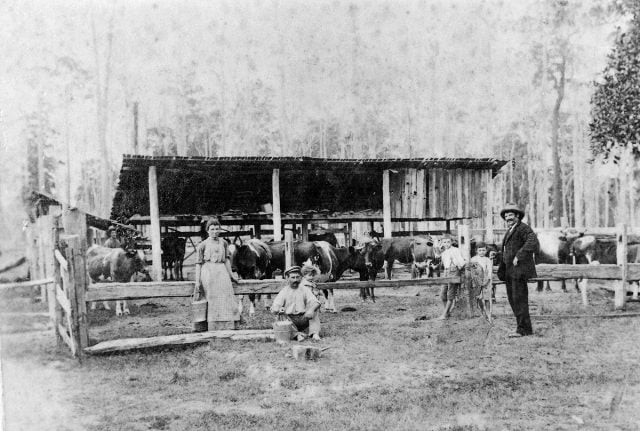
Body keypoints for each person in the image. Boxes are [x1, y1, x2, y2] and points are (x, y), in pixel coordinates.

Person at [500, 203, 539, 338]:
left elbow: (533, 242)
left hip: (519, 271)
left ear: (517, 216)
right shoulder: (510, 230)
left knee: (519, 300)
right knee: (513, 300)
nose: (508, 218)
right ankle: (522, 328)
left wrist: (519, 255)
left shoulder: (523, 228)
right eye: (506, 216)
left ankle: (523, 330)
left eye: (510, 215)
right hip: (510, 272)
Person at [195, 217, 240, 331]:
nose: (215, 232)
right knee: (211, 297)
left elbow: (226, 260)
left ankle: (227, 324)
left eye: (217, 229)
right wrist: (197, 280)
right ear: (207, 230)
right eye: (212, 229)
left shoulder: (224, 243)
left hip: (221, 271)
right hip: (208, 271)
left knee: (226, 295)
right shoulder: (202, 245)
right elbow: (199, 264)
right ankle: (213, 326)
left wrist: (231, 275)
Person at [271, 265, 322, 341]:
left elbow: (316, 302)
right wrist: (278, 309)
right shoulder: (284, 291)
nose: (295, 280)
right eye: (293, 277)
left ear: (301, 278)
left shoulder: (304, 289)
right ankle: (296, 335)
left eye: (297, 277)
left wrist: (311, 310)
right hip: (290, 320)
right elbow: (275, 307)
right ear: (288, 278)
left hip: (304, 317)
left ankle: (314, 333)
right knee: (281, 315)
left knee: (314, 310)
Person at [438, 234, 466, 320]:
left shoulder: (456, 250)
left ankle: (445, 314)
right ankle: (447, 312)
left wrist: (456, 266)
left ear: (452, 242)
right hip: (446, 272)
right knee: (442, 295)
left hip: (454, 271)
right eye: (444, 242)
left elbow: (462, 263)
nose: (446, 244)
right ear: (442, 243)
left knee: (450, 295)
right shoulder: (443, 253)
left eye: (448, 242)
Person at [471, 242, 493, 323]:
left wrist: (487, 280)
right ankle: (482, 311)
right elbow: (472, 271)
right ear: (477, 251)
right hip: (477, 281)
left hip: (486, 280)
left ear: (486, 250)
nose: (482, 252)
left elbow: (490, 271)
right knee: (478, 297)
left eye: (483, 250)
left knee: (486, 298)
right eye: (480, 250)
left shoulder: (487, 260)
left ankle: (488, 314)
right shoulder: (473, 259)